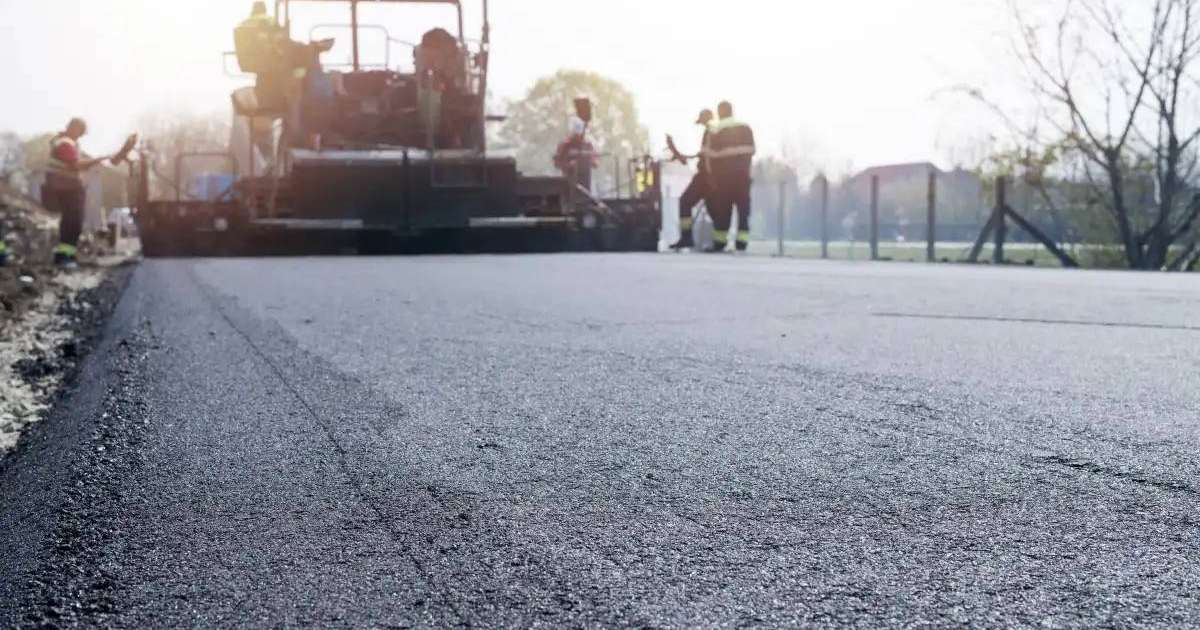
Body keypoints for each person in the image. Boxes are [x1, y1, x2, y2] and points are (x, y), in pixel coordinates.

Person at [44, 118, 110, 267]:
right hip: (66, 189)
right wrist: (97, 159)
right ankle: (64, 257)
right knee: (72, 223)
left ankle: (67, 255)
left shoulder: (66, 143)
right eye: (80, 133)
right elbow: (76, 165)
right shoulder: (65, 143)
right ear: (74, 128)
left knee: (72, 223)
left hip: (68, 188)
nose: (80, 136)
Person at [705, 101, 756, 252]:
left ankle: (720, 242)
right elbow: (751, 151)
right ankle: (742, 242)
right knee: (743, 209)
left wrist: (711, 177)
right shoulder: (745, 127)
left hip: (724, 178)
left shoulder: (715, 130)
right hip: (743, 176)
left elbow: (710, 157)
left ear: (720, 112)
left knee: (723, 210)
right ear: (732, 111)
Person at [668, 108, 716, 251]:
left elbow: (707, 156)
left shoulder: (711, 131)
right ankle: (717, 241)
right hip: (710, 176)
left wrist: (709, 176)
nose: (701, 124)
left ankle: (686, 238)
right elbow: (703, 154)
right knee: (713, 208)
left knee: (685, 202)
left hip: (706, 176)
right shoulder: (712, 131)